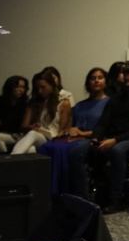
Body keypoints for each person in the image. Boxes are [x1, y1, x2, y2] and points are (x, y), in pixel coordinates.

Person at [71, 62, 129, 212]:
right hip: (109, 137)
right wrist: (96, 138)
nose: (127, 84)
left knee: (118, 151)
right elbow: (103, 122)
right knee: (75, 152)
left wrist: (115, 141)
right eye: (125, 81)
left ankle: (115, 198)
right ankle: (82, 196)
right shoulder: (116, 98)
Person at [40, 68, 110, 196]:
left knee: (67, 151)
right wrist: (69, 129)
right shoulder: (80, 105)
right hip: (75, 138)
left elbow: (108, 129)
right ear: (88, 83)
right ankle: (47, 192)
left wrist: (83, 134)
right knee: (47, 147)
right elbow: (70, 126)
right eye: (93, 78)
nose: (96, 81)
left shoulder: (110, 103)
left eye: (100, 78)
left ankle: (79, 194)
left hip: (94, 139)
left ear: (106, 82)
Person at [11, 70, 72, 155]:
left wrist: (45, 133)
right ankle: (13, 160)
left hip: (52, 137)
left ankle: (11, 158)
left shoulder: (63, 102)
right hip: (37, 136)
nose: (39, 91)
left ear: (51, 86)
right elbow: (24, 126)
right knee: (30, 149)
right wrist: (31, 126)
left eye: (43, 87)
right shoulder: (34, 102)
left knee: (32, 134)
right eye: (37, 88)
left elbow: (63, 130)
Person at [0, 74, 28, 153]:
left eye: (23, 87)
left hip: (16, 135)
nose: (21, 90)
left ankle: (5, 158)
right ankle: (3, 157)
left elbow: (21, 125)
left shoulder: (25, 104)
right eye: (17, 87)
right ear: (10, 87)